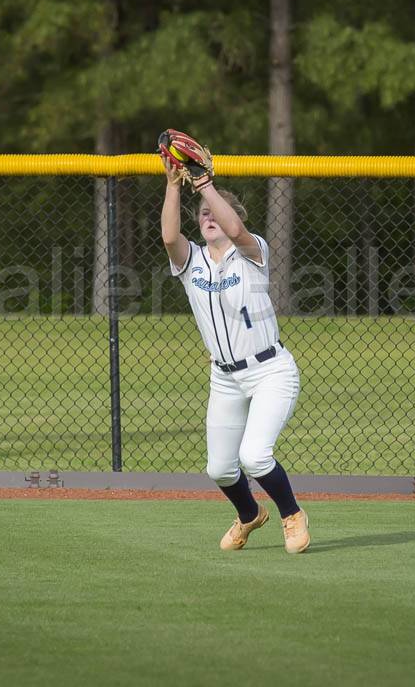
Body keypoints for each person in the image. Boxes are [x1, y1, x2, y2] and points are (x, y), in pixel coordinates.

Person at [160, 141, 310, 554]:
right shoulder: (192, 263)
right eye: (203, 214)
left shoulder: (252, 252)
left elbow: (238, 230)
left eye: (216, 212)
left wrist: (206, 185)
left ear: (231, 217)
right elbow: (170, 237)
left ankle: (292, 515)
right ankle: (249, 515)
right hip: (225, 377)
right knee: (220, 468)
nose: (208, 217)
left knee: (255, 456)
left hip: (270, 371)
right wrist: (174, 184)